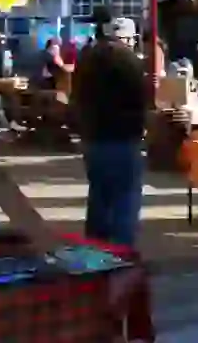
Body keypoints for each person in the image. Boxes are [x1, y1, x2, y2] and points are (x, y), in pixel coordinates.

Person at [71, 17, 147, 247]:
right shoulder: (127, 60)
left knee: (99, 196)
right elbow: (140, 97)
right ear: (125, 38)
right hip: (123, 136)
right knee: (125, 198)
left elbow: (76, 96)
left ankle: (96, 250)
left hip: (93, 137)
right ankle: (121, 253)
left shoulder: (87, 58)